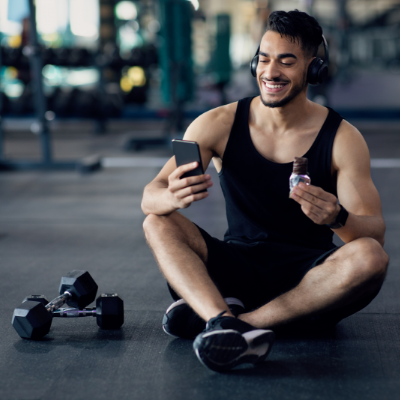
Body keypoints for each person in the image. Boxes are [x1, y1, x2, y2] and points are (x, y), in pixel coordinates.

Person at [141, 10, 388, 372]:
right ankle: (222, 318)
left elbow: (374, 233)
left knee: (370, 258)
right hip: (237, 264)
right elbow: (151, 195)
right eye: (264, 59)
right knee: (157, 223)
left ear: (314, 69)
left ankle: (233, 324)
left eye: (286, 62)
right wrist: (171, 197)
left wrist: (338, 217)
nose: (270, 72)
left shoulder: (342, 138)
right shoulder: (217, 123)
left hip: (309, 280)